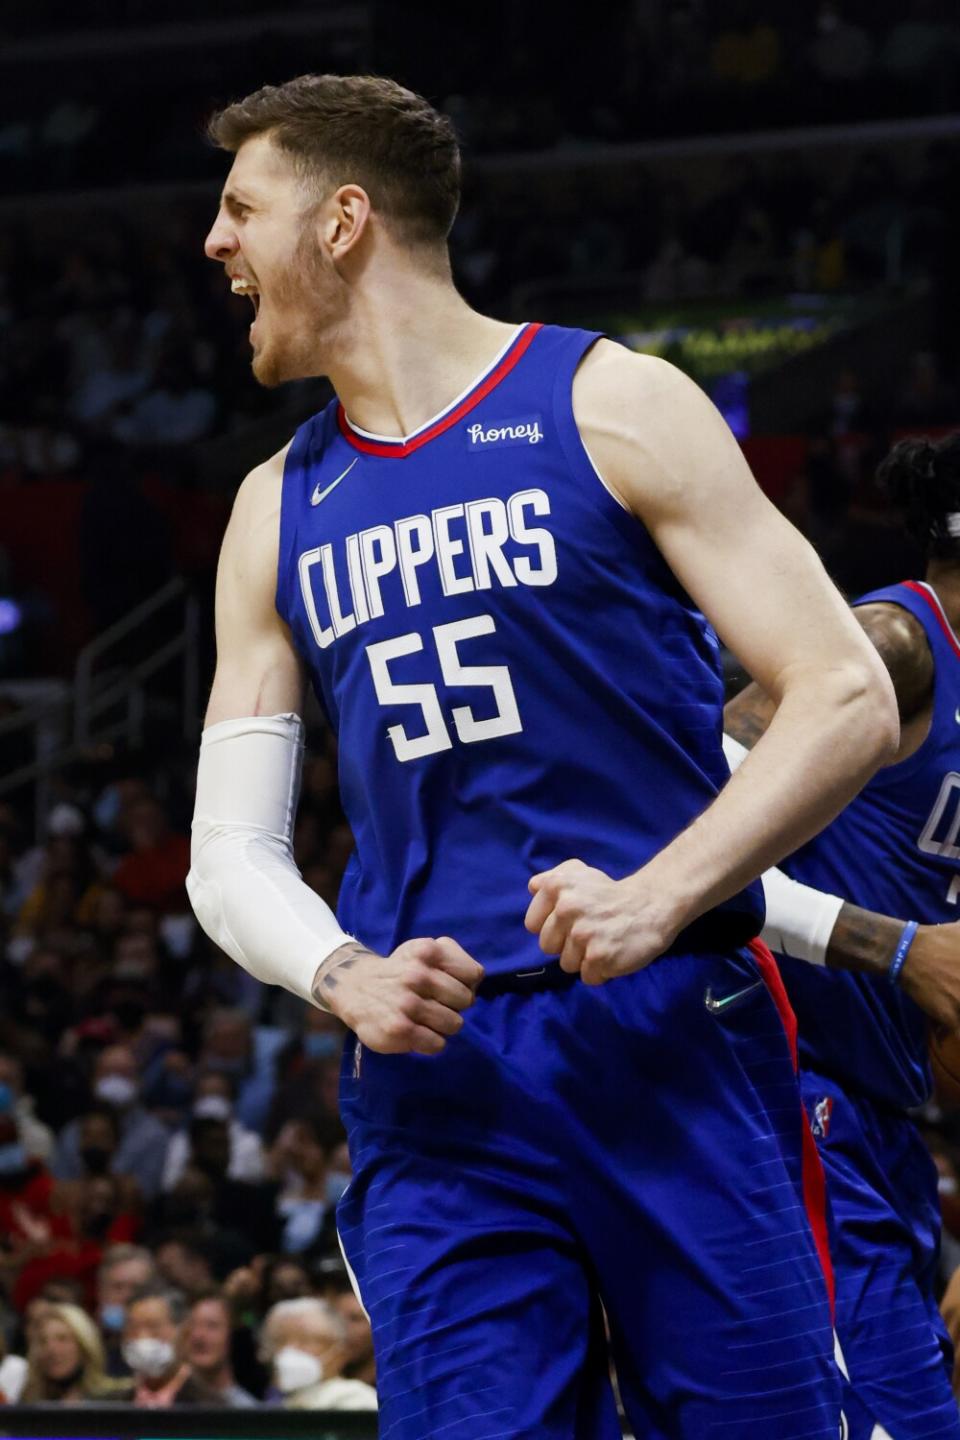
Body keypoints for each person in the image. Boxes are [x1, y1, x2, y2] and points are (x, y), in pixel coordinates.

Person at [189, 72, 900, 1439]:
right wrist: (338, 973)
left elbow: (842, 693)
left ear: (343, 220)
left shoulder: (612, 403)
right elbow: (228, 853)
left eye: (239, 209)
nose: (215, 245)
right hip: (437, 1073)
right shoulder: (273, 506)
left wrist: (661, 894)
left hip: (672, 1031)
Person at [724, 433, 960, 1439]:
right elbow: (687, 824)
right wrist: (898, 946)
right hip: (800, 1095)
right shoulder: (896, 647)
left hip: (894, 1128)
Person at [260, 1297, 376, 1410]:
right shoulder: (279, 1401)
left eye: (305, 1340)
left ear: (340, 1353)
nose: (289, 1349)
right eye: (280, 1340)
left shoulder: (355, 1400)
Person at [121, 1285, 224, 1407]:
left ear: (183, 1331)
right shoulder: (113, 1404)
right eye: (133, 1328)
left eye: (153, 1327)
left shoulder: (209, 1406)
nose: (141, 1337)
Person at [20, 1302, 127, 1403]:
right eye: (43, 1341)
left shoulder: (119, 1399)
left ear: (85, 1345)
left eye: (62, 1339)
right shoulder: (27, 1402)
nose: (51, 1349)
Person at [184, 1292, 258, 1407]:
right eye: (193, 1325)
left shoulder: (248, 1411)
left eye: (211, 1326)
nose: (198, 1335)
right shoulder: (165, 1403)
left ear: (232, 1337)